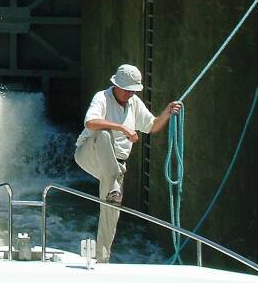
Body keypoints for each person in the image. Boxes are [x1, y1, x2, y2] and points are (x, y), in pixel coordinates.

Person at [74, 64, 181, 263]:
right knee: (104, 132)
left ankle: (102, 259)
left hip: (115, 167)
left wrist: (166, 113)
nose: (129, 94)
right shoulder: (102, 97)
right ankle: (114, 186)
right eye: (126, 90)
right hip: (89, 154)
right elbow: (90, 123)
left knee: (110, 212)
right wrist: (122, 128)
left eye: (133, 91)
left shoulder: (134, 103)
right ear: (115, 85)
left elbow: (151, 126)